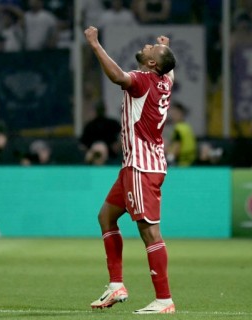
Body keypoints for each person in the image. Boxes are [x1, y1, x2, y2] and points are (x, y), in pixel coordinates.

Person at [84, 26, 176, 314]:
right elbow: (169, 70)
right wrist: (165, 47)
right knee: (106, 216)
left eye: (152, 49)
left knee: (149, 231)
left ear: (151, 64)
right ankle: (116, 285)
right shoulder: (165, 80)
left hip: (141, 167)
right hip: (133, 167)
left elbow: (116, 77)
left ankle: (164, 300)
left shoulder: (142, 81)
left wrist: (95, 45)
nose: (147, 45)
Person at [166, 102, 197, 166]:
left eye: (175, 114)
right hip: (191, 162)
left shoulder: (179, 129)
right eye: (172, 114)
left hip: (182, 165)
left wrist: (168, 158)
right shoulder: (187, 127)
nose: (173, 116)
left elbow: (176, 148)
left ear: (181, 114)